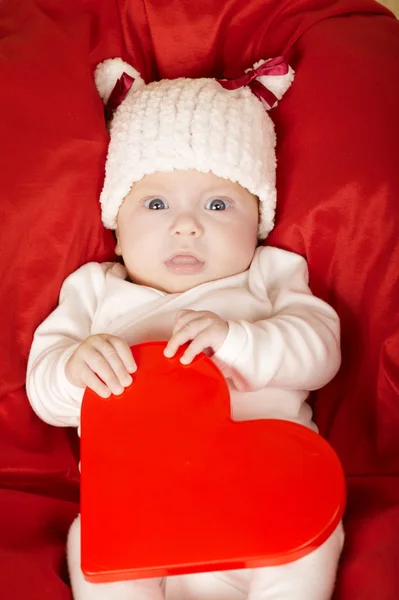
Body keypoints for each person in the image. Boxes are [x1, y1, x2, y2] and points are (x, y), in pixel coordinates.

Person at [26, 56, 344, 600]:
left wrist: (240, 339)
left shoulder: (270, 277)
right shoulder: (95, 290)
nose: (187, 224)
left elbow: (321, 352)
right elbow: (45, 392)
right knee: (91, 545)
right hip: (141, 510)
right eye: (155, 203)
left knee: (312, 543)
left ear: (258, 227)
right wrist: (76, 369)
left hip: (267, 499)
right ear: (118, 232)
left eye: (219, 204)